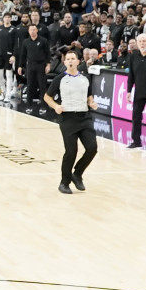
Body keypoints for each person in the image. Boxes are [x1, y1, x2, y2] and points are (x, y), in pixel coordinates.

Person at [44, 51, 99, 194]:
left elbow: (89, 96)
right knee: (71, 151)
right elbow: (47, 97)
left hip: (84, 117)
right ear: (65, 62)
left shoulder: (85, 78)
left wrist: (91, 103)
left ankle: (77, 174)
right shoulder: (60, 79)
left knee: (92, 147)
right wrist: (56, 106)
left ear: (78, 61)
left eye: (72, 59)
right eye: (67, 59)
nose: (70, 61)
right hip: (68, 119)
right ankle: (64, 182)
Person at [15, 24, 50, 105]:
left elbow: (47, 53)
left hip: (41, 65)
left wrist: (48, 65)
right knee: (30, 85)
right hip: (30, 65)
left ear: (37, 30)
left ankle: (43, 105)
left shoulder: (43, 41)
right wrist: (20, 66)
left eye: (34, 30)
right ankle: (29, 105)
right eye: (31, 30)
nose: (32, 31)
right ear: (28, 31)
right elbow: (23, 55)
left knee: (42, 86)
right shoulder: (26, 42)